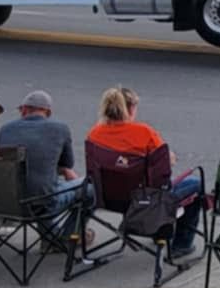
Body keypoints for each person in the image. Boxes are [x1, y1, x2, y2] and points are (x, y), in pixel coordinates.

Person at [87, 85, 204, 256]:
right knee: (195, 183)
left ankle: (158, 230)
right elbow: (166, 164)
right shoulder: (144, 132)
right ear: (131, 108)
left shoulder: (95, 133)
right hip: (146, 202)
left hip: (108, 198)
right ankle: (182, 243)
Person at [0, 89, 90, 223]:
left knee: (41, 186)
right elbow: (68, 163)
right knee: (90, 188)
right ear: (48, 112)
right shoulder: (60, 129)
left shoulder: (5, 129)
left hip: (9, 204)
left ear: (23, 110)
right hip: (43, 204)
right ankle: (67, 236)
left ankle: (51, 236)